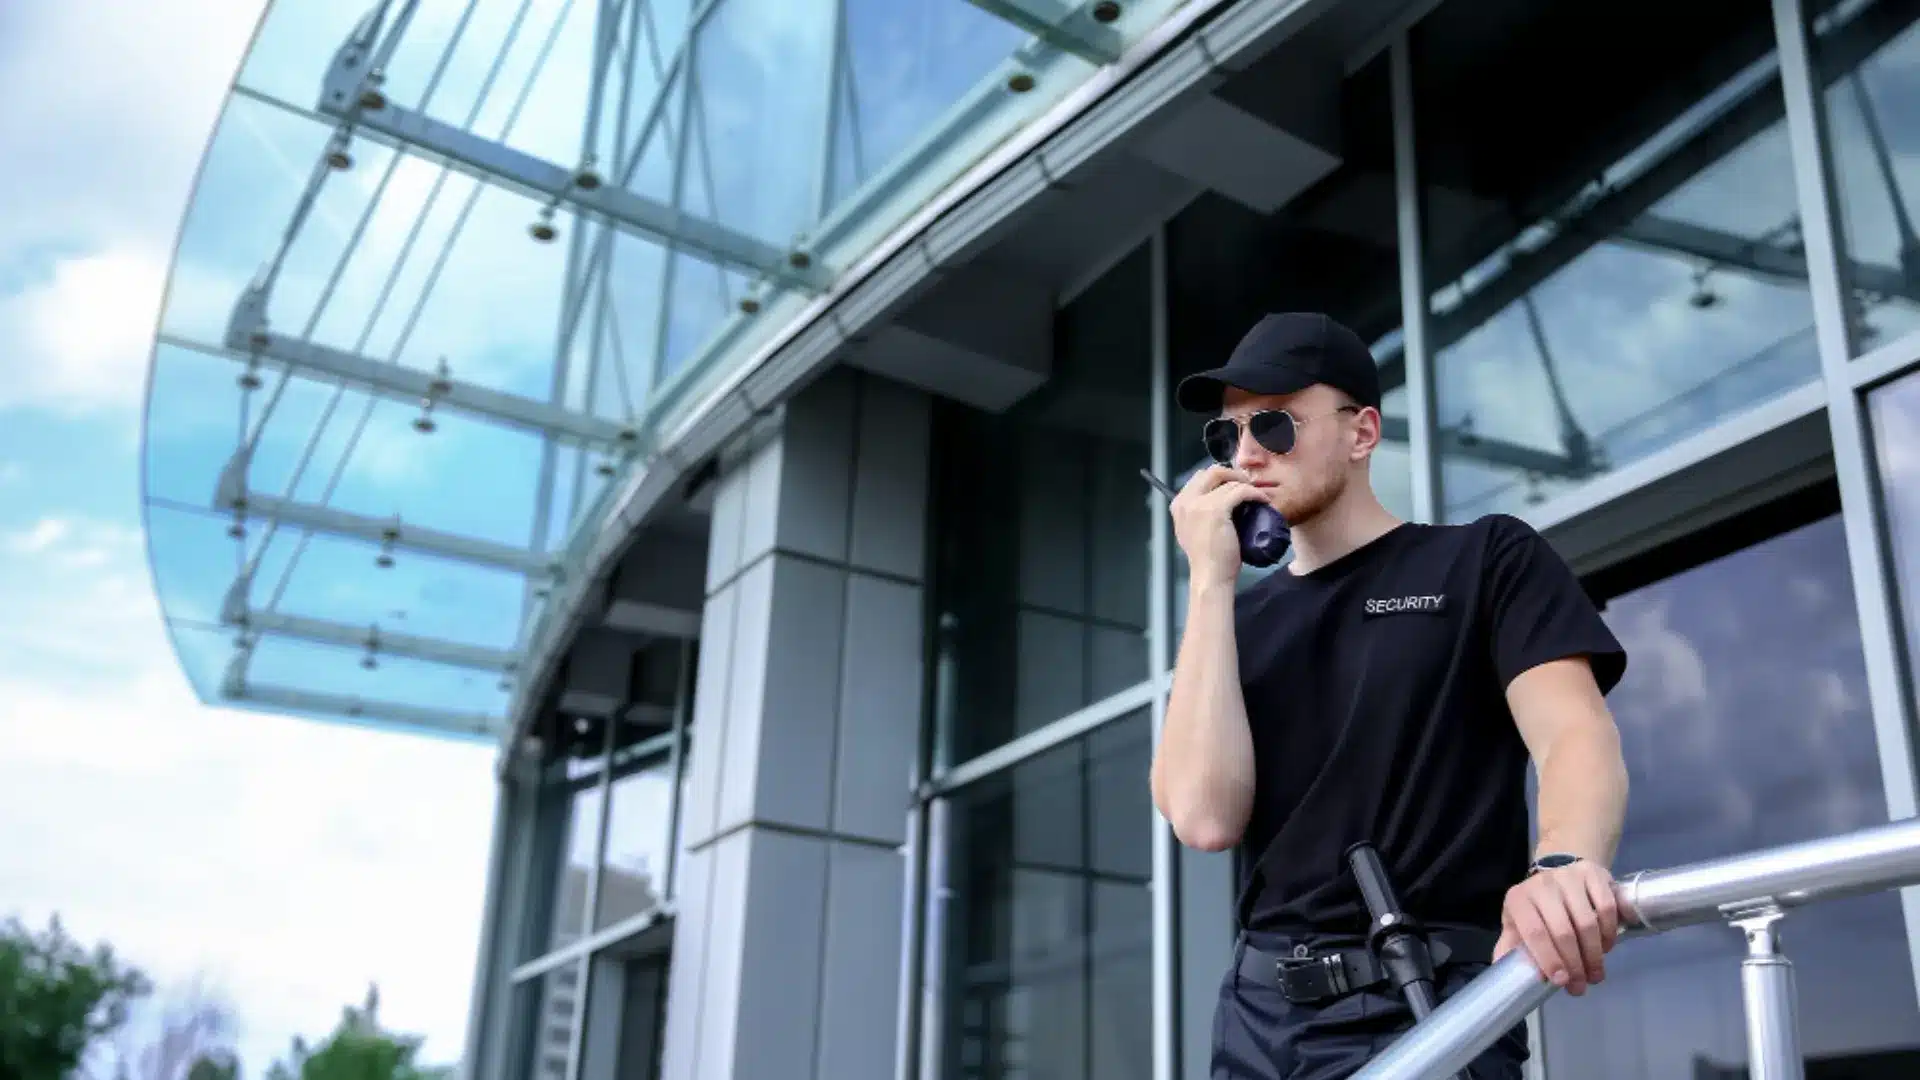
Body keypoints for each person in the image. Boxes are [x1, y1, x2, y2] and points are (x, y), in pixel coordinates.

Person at [1149, 312, 1631, 1080]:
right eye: (1225, 437)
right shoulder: (1234, 620)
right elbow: (1204, 819)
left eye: (1274, 425)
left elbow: (1576, 735)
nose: (1245, 455)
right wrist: (1211, 581)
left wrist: (1564, 862)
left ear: (1361, 433)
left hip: (1426, 995)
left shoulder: (1481, 561)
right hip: (1259, 1017)